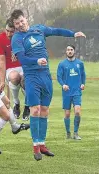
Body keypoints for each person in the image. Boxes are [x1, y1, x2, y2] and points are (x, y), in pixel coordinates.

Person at [10, 9, 86, 160]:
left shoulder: (39, 29)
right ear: (14, 24)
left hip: (45, 75)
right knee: (35, 110)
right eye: (17, 23)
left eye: (21, 21)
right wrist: (36, 61)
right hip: (32, 77)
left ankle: (42, 144)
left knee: (45, 110)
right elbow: (23, 59)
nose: (20, 24)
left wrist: (73, 34)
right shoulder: (17, 38)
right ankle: (35, 147)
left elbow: (56, 30)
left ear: (26, 18)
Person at [0, 18, 30, 120]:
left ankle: (27, 106)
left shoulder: (23, 36)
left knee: (26, 80)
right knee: (15, 77)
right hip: (10, 69)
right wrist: (2, 81)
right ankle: (16, 104)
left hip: (24, 66)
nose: (9, 34)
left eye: (12, 31)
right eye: (7, 31)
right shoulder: (1, 38)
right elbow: (1, 60)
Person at [57, 45, 86, 140]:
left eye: (71, 50)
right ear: (66, 52)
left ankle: (76, 133)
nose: (70, 51)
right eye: (68, 50)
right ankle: (68, 133)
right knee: (67, 114)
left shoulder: (80, 63)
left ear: (74, 51)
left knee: (77, 111)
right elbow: (59, 77)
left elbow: (83, 75)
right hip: (67, 92)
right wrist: (63, 85)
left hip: (77, 91)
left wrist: (83, 84)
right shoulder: (62, 64)